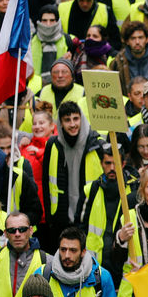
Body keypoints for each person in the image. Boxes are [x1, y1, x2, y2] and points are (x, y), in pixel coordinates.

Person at [41, 102, 104, 244]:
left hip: (88, 215)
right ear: (60, 123)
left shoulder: (95, 144)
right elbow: (46, 183)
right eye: (67, 120)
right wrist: (51, 219)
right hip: (61, 219)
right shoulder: (53, 144)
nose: (73, 124)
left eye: (76, 119)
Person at [0, 212, 50, 297]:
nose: (17, 234)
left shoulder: (47, 260)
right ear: (5, 234)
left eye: (22, 229)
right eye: (12, 230)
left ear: (31, 230)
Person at [110, 22, 148, 90]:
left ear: (147, 39)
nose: (137, 42)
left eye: (140, 38)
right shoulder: (118, 61)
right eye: (133, 38)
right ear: (127, 41)